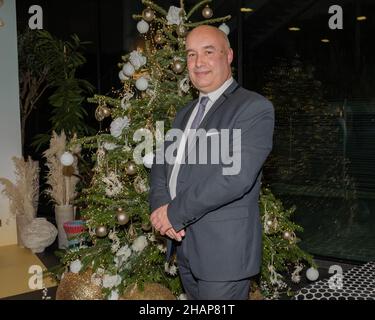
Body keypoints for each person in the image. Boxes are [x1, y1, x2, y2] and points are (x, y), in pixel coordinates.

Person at [149, 25, 274, 300]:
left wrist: (174, 213)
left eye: (208, 52)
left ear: (228, 56)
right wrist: (160, 207)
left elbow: (234, 178)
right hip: (184, 247)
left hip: (224, 255)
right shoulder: (184, 114)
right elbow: (161, 165)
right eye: (191, 54)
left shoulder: (253, 108)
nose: (198, 62)